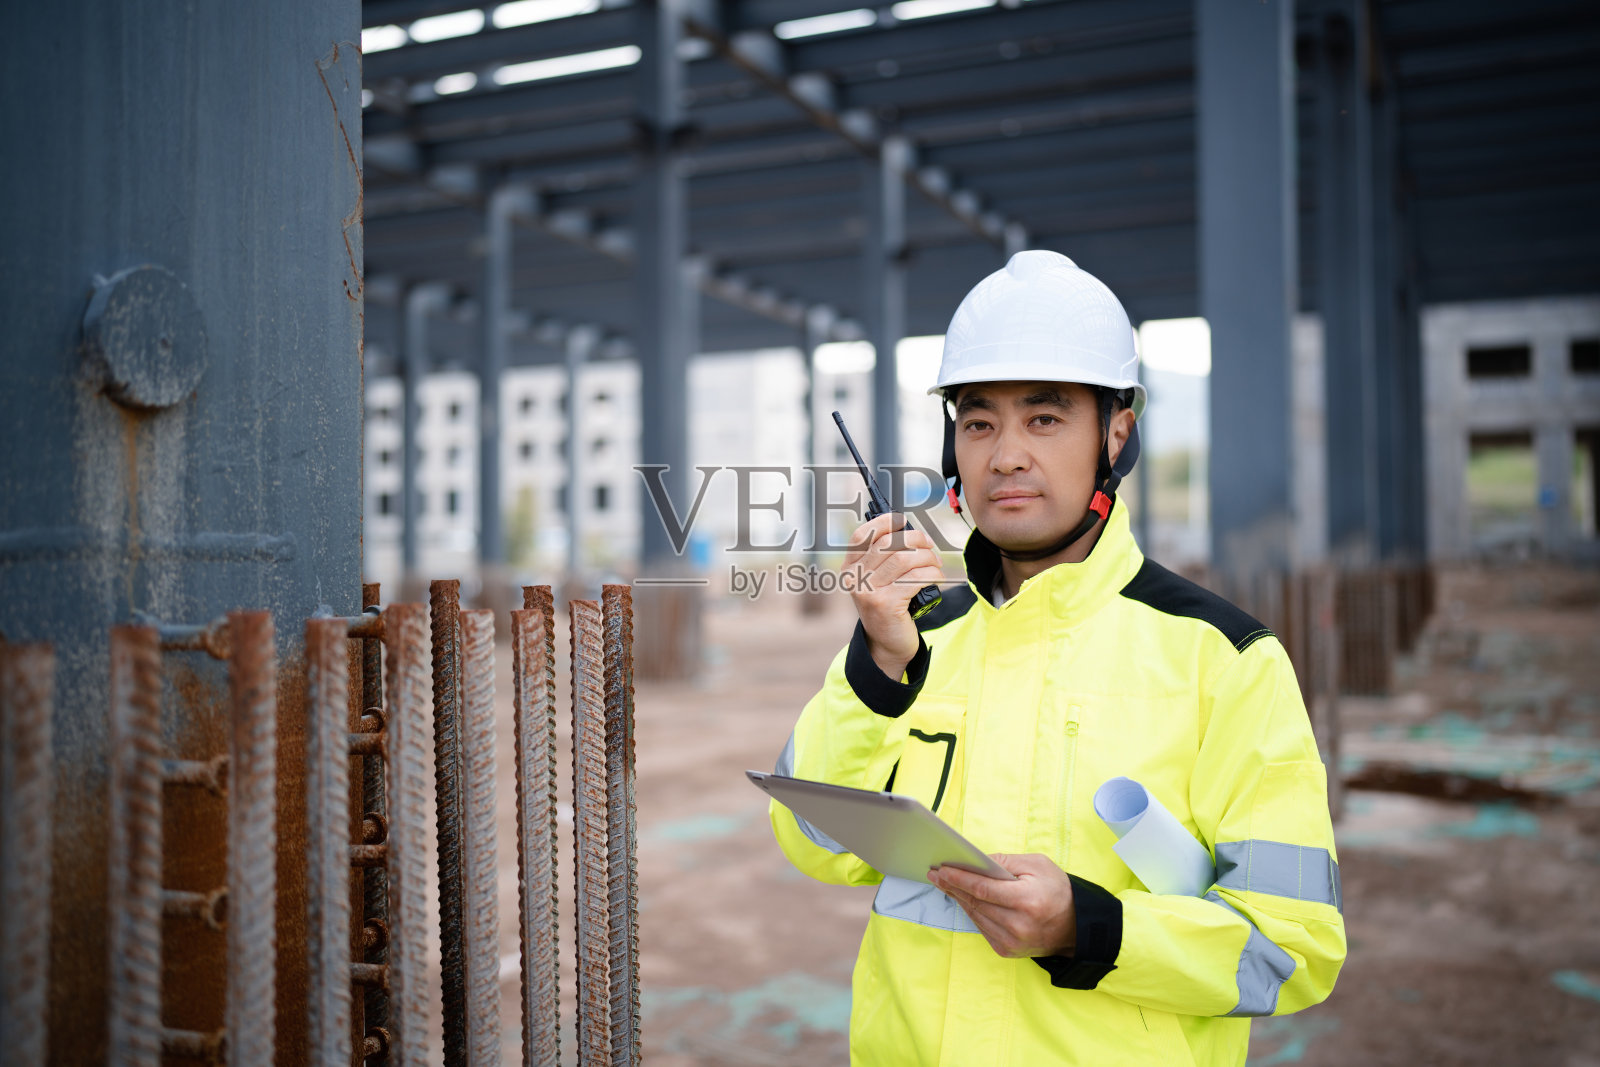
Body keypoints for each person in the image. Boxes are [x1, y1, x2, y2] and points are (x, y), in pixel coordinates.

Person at [769, 250, 1346, 1065]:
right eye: (978, 421)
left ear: (1117, 432)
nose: (1005, 455)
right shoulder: (912, 638)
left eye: (1044, 418)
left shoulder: (1222, 658)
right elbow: (809, 840)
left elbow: (1293, 947)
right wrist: (878, 669)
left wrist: (1092, 927)